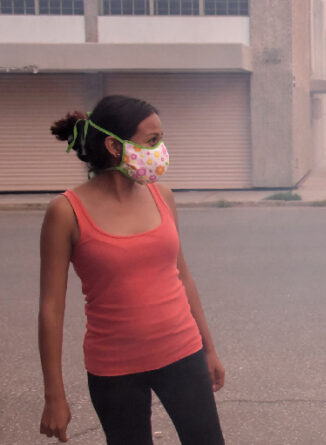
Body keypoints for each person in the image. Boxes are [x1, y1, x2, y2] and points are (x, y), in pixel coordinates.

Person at [39, 95, 225, 444]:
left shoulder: (162, 196)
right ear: (113, 145)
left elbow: (181, 275)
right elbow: (51, 308)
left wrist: (208, 348)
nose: (160, 150)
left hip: (183, 353)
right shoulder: (65, 211)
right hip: (114, 368)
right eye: (152, 141)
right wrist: (54, 396)